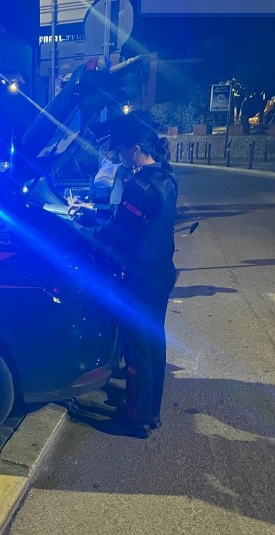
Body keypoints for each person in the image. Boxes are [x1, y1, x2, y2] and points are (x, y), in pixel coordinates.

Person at [71, 112, 178, 439]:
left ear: (135, 149)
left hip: (139, 280)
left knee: (136, 351)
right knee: (154, 345)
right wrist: (92, 212)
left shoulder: (138, 186)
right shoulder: (164, 178)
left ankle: (135, 421)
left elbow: (115, 233)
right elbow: (127, 221)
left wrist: (80, 229)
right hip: (160, 275)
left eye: (120, 149)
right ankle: (151, 413)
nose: (117, 155)